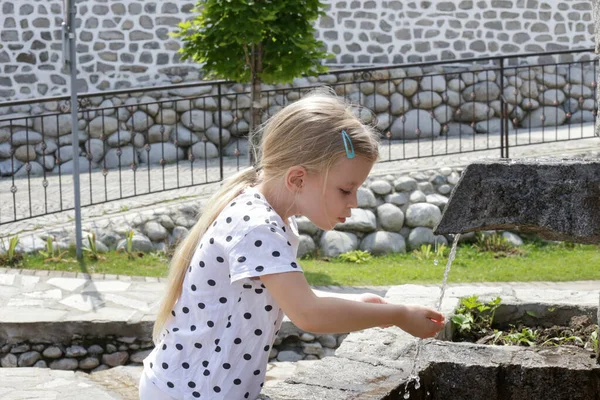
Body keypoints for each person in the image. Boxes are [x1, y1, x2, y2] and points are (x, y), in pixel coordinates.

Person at [139, 90, 445, 399]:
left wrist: (358, 306)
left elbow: (279, 294)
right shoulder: (257, 225)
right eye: (345, 189)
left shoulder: (272, 217)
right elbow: (308, 313)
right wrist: (399, 315)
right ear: (298, 179)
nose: (354, 202)